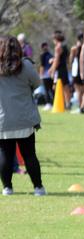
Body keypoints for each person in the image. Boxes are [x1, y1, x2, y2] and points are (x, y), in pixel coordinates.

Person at [0, 35, 46, 196]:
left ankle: (7, 188)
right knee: (29, 154)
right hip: (24, 119)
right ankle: (38, 188)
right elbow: (37, 84)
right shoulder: (25, 66)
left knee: (5, 155)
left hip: (3, 120)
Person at [49, 30, 71, 108]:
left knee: (56, 86)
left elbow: (57, 60)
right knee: (66, 86)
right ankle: (67, 103)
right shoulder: (64, 47)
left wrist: (52, 70)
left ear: (56, 39)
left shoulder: (58, 47)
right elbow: (67, 59)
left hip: (59, 70)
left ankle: (61, 103)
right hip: (64, 68)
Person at [69, 34, 84, 113]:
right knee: (83, 90)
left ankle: (80, 106)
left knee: (78, 91)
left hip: (76, 71)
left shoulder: (74, 48)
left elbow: (71, 60)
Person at [38, 42, 54, 111]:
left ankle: (48, 104)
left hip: (45, 75)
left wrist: (41, 74)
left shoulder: (42, 55)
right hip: (51, 75)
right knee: (51, 89)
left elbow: (42, 66)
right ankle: (53, 102)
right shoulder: (51, 55)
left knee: (46, 90)